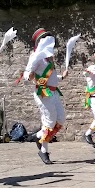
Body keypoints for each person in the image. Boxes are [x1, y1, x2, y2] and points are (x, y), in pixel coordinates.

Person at [23, 28, 68, 165]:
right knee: (49, 122)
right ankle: (44, 151)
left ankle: (38, 136)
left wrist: (61, 76)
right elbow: (26, 75)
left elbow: (51, 77)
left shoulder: (49, 57)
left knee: (60, 119)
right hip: (43, 93)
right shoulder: (36, 56)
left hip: (53, 92)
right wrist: (29, 76)